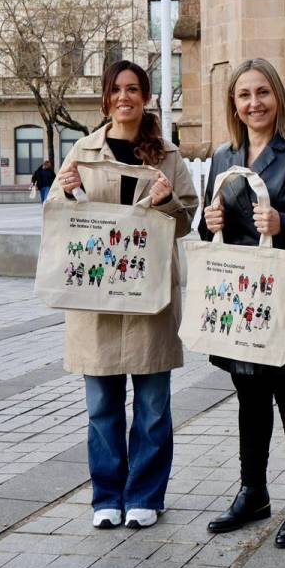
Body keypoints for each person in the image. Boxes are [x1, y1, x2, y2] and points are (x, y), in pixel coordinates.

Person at [52, 60, 199, 530]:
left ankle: (146, 495)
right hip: (96, 300)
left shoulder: (168, 157)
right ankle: (106, 497)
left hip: (149, 297)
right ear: (105, 97)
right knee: (102, 407)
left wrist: (166, 201)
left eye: (133, 89)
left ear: (146, 97)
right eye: (116, 89)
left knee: (153, 408)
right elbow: (60, 219)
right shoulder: (82, 150)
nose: (124, 97)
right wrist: (66, 191)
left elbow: (185, 221)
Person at [200, 58, 285, 547]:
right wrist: (209, 220)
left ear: (278, 96)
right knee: (249, 399)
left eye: (262, 93)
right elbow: (206, 229)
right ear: (233, 104)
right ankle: (252, 491)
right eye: (243, 95)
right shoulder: (222, 156)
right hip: (241, 297)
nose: (254, 103)